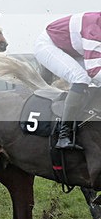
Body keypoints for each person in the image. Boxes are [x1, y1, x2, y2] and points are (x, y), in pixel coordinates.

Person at [34, 11, 101, 150]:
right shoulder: (94, 30)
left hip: (73, 49)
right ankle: (63, 135)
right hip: (49, 46)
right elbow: (94, 70)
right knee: (81, 78)